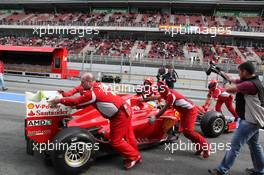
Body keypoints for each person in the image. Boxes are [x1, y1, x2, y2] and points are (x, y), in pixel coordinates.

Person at [50, 73, 141, 170]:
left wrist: (60, 100)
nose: (81, 84)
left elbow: (76, 101)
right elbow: (77, 90)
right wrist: (65, 95)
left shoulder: (92, 93)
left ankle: (134, 157)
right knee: (128, 135)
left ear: (89, 82)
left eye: (82, 82)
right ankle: (135, 155)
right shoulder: (98, 84)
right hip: (124, 109)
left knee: (115, 141)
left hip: (119, 115)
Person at [209, 61, 264, 175]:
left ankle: (222, 169)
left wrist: (224, 83)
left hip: (250, 121)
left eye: (239, 72)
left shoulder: (249, 85)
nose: (238, 74)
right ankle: (260, 170)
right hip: (254, 120)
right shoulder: (252, 80)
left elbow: (229, 89)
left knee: (234, 146)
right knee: (254, 145)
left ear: (245, 72)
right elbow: (232, 78)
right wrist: (219, 71)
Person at [143, 81, 211, 158]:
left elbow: (165, 108)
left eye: (159, 89)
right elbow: (157, 97)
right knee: (186, 133)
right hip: (183, 112)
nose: (158, 90)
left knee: (189, 131)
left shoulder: (171, 96)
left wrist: (155, 117)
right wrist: (143, 100)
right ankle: (200, 147)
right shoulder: (165, 92)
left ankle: (207, 147)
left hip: (190, 111)